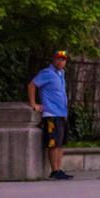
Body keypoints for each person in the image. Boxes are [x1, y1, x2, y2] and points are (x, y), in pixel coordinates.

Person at [28, 51, 71, 180]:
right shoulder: (47, 73)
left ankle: (59, 169)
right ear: (53, 59)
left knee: (60, 143)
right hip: (51, 114)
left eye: (63, 60)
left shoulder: (61, 74)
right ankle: (54, 170)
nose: (61, 62)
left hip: (62, 114)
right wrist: (33, 103)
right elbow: (32, 85)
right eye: (59, 59)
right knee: (53, 143)